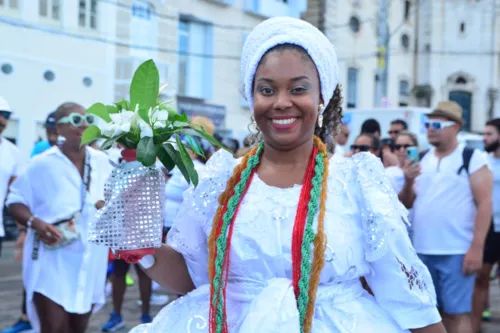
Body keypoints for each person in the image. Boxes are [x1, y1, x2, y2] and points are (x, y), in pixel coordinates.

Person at [128, 17, 445, 333]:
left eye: (298, 88)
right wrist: (142, 246)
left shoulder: (356, 181)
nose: (281, 102)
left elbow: (405, 294)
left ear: (322, 97)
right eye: (267, 89)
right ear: (252, 98)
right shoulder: (221, 180)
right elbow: (192, 278)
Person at [6, 102, 112, 333]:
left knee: (78, 328)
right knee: (54, 328)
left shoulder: (103, 162)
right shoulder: (42, 163)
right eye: (76, 120)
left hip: (89, 258)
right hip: (51, 258)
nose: (84, 125)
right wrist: (36, 223)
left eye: (88, 120)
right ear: (58, 128)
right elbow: (14, 200)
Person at [399, 101, 493, 333]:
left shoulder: (472, 157)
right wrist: (409, 181)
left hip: (456, 250)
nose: (430, 128)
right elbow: (406, 204)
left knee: (457, 314)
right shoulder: (422, 158)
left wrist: (476, 248)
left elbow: (485, 205)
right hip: (421, 250)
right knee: (428, 315)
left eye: (436, 124)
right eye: (427, 123)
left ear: (456, 127)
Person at [0, 97, 29, 333]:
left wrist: (22, 232)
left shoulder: (12, 152)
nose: (2, 120)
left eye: (7, 116)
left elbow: (15, 195)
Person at [472, 118, 500, 333]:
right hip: (490, 229)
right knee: (481, 279)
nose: (485, 138)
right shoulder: (484, 162)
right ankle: (475, 327)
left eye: (489, 134)